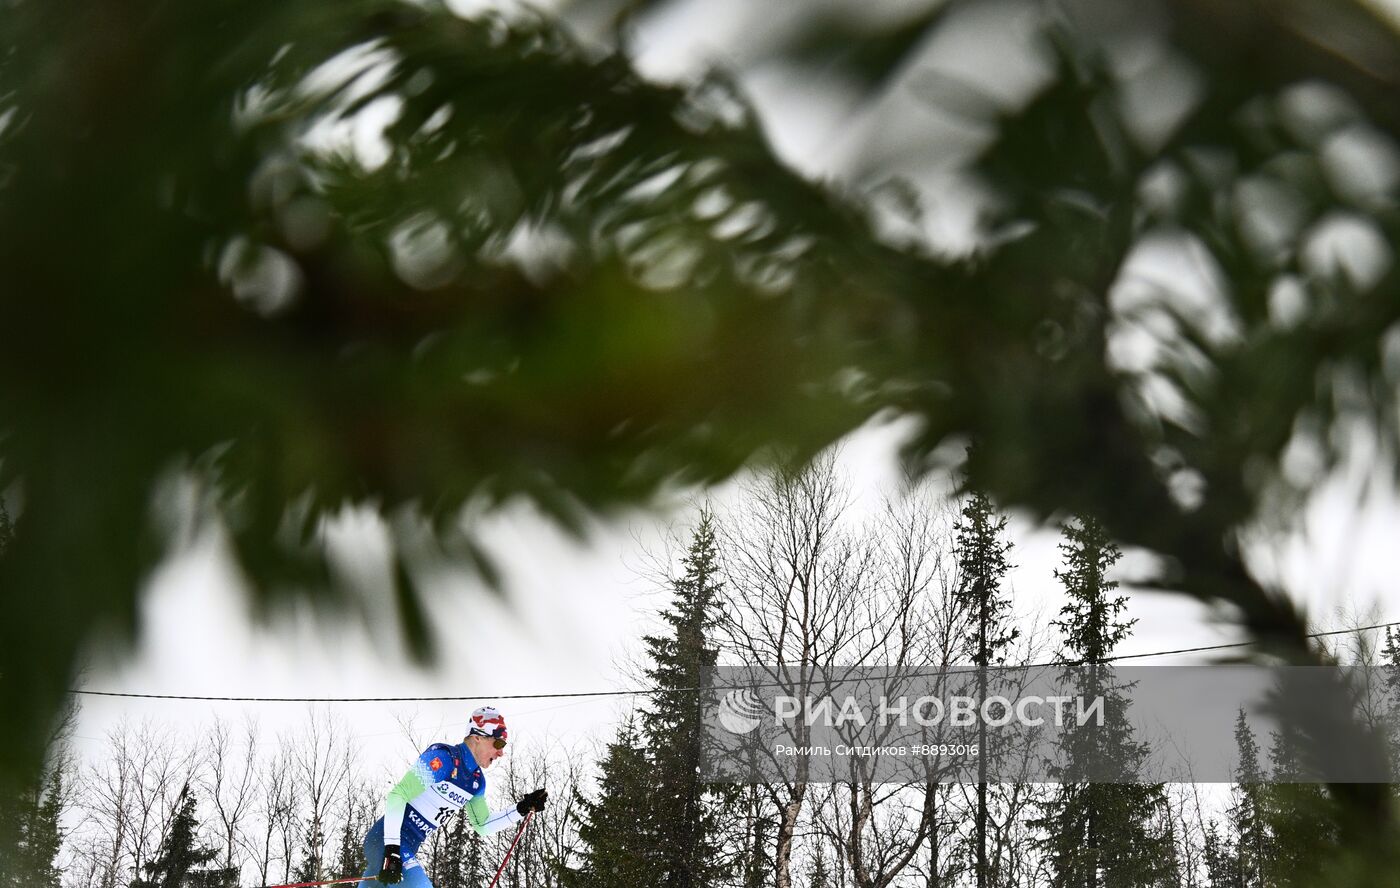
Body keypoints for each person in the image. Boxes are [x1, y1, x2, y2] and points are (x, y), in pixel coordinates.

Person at [362, 706, 548, 886]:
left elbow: (482, 825)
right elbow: (398, 795)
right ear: (477, 737)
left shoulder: (475, 782)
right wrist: (392, 849)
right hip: (385, 841)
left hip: (407, 847)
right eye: (498, 743)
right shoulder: (444, 759)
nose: (501, 752)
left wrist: (521, 808)